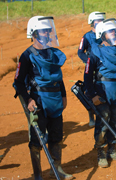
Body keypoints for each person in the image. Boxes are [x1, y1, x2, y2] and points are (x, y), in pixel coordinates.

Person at [14, 16, 73, 179]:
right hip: (38, 101)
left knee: (56, 137)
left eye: (48, 30)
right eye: (43, 30)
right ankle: (38, 175)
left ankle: (57, 169)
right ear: (33, 33)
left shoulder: (53, 53)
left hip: (55, 100)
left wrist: (63, 95)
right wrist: (28, 100)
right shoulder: (27, 56)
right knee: (36, 141)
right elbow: (18, 82)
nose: (47, 33)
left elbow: (58, 77)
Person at [83, 19, 116, 168]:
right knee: (103, 123)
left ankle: (112, 150)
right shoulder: (95, 52)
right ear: (102, 35)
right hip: (102, 90)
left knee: (115, 122)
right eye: (110, 32)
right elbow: (88, 76)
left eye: (114, 31)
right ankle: (101, 153)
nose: (114, 34)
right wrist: (93, 95)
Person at [78, 11, 106, 127]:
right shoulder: (87, 36)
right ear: (92, 23)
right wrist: (89, 61)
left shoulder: (104, 35)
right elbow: (80, 52)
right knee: (90, 91)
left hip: (103, 67)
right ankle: (91, 115)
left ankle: (106, 119)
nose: (100, 23)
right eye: (97, 21)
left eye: (101, 21)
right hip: (91, 67)